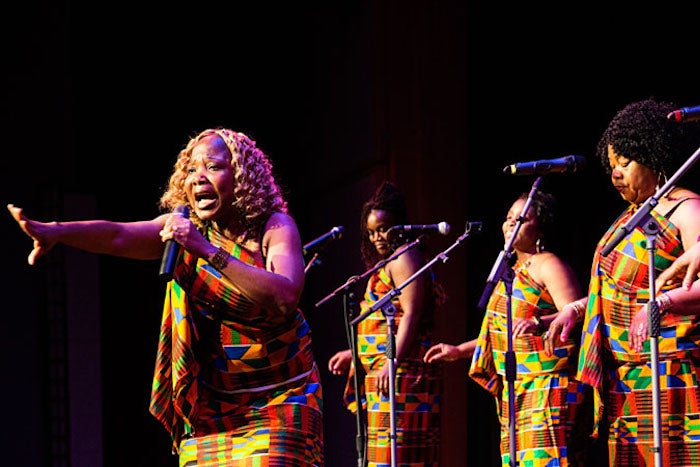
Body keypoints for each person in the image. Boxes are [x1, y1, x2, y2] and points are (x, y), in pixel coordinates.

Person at [7, 128, 324, 466]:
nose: (199, 178)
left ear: (242, 178)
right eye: (191, 170)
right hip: (214, 408)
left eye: (213, 167)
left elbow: (285, 296)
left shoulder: (273, 228)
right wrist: (57, 231)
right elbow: (117, 236)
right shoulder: (184, 229)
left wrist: (206, 250)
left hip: (281, 396)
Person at [551, 97, 700, 466]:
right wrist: (575, 308)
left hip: (671, 372)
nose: (615, 174)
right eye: (611, 164)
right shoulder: (629, 219)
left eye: (625, 163)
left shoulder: (687, 209)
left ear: (654, 156)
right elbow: (615, 291)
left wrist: (661, 304)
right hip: (624, 378)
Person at [425, 190, 592, 466]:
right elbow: (502, 335)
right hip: (517, 390)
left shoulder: (548, 264)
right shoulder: (510, 273)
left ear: (540, 229)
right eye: (508, 218)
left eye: (522, 219)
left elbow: (578, 311)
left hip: (548, 386)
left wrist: (540, 322)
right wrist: (458, 350)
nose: (510, 224)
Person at [327, 180, 445, 466]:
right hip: (387, 371)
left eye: (382, 229)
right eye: (370, 232)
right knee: (385, 454)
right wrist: (354, 353)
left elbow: (412, 314)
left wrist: (391, 362)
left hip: (403, 372)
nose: (376, 237)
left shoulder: (405, 257)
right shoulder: (391, 259)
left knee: (400, 455)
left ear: (399, 225)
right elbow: (382, 321)